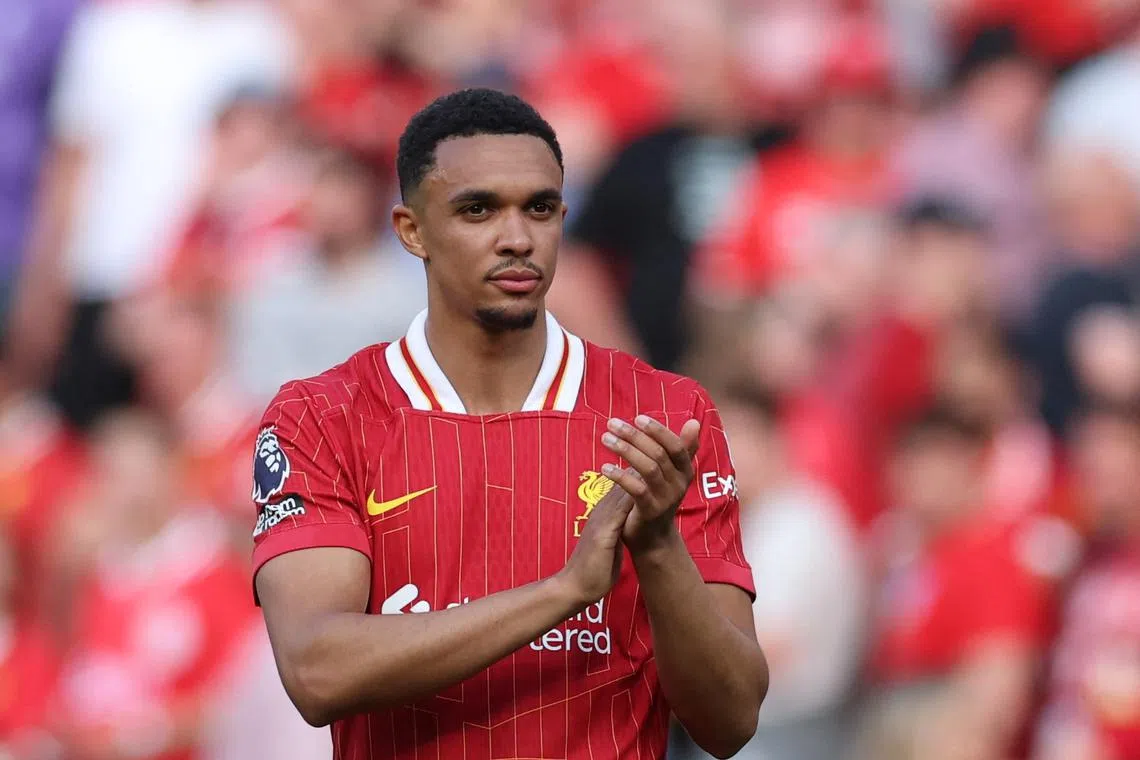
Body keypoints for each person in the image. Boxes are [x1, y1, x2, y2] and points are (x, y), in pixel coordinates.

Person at [250, 88, 767, 759]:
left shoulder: (667, 415)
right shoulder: (323, 417)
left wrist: (661, 546)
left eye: (540, 208)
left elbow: (730, 724)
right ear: (413, 231)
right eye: (478, 209)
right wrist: (565, 591)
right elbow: (317, 671)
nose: (517, 238)